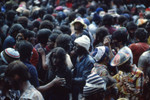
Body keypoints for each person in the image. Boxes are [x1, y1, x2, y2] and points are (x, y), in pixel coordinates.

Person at [72, 35, 95, 100]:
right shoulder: (78, 58)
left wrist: (71, 80)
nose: (74, 48)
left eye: (76, 46)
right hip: (77, 90)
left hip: (84, 92)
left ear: (83, 48)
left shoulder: (89, 61)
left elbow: (85, 79)